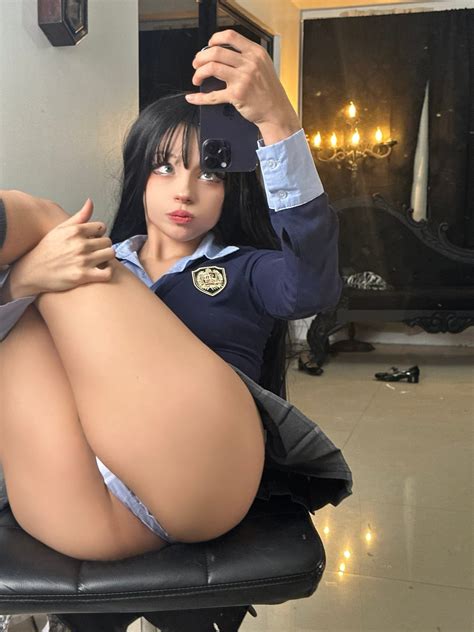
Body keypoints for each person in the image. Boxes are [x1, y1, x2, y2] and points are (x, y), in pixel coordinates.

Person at [0, 30, 352, 562]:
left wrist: (278, 124)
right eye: (163, 167)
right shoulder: (99, 265)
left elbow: (311, 287)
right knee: (36, 279)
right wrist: (23, 283)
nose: (184, 190)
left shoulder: (245, 269)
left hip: (203, 476)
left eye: (209, 173)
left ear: (230, 189)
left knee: (50, 225)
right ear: (139, 177)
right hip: (85, 508)